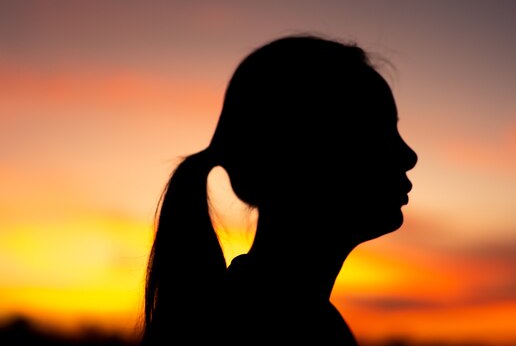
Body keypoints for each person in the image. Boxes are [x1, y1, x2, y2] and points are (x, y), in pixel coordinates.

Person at [140, 34, 418, 345]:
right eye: (378, 133)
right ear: (304, 155)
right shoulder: (284, 326)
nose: (409, 156)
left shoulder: (263, 313)